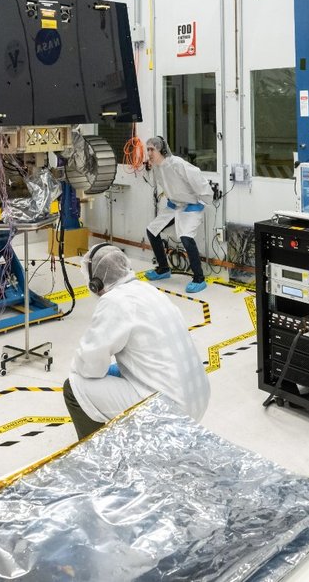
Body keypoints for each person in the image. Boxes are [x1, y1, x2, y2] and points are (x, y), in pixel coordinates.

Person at [62, 243, 211, 440]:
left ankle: (100, 458)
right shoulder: (148, 290)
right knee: (117, 369)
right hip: (197, 400)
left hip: (168, 411)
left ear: (95, 284)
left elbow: (89, 365)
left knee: (73, 387)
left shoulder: (114, 302)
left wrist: (87, 367)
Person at [143, 136, 210, 294]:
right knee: (152, 230)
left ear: (162, 150)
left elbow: (197, 177)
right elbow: (159, 184)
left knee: (186, 238)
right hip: (174, 205)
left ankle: (199, 279)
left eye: (152, 149)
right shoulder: (157, 167)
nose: (149, 152)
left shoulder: (177, 164)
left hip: (191, 205)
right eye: (148, 149)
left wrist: (203, 200)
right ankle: (164, 269)